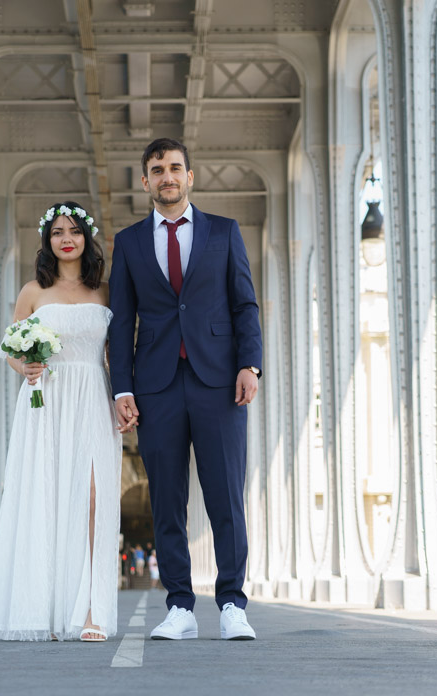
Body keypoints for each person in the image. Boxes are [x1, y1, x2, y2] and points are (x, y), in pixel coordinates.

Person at [108, 138, 262, 641]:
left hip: (219, 382)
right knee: (167, 501)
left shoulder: (224, 232)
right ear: (146, 180)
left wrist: (250, 366)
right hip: (156, 387)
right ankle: (179, 607)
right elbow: (122, 322)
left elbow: (245, 305)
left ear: (190, 177)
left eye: (175, 168)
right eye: (157, 170)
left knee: (225, 498)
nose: (167, 176)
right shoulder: (129, 242)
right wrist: (122, 390)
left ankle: (233, 603)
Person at [0, 202, 122, 643]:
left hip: (92, 397)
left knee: (94, 497)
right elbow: (12, 350)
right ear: (47, 240)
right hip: (46, 402)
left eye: (75, 231)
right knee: (47, 495)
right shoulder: (32, 292)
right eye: (58, 231)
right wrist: (27, 369)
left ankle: (92, 610)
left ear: (86, 238)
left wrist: (123, 399)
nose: (66, 238)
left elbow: (115, 353)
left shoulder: (106, 291)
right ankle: (46, 607)